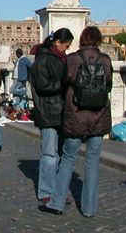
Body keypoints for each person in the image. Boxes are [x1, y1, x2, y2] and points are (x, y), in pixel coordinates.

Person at [41, 27, 112, 217]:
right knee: (93, 163)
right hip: (98, 118)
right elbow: (109, 85)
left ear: (81, 40)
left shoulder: (72, 59)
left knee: (68, 160)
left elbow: (63, 84)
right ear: (98, 41)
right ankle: (89, 209)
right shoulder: (105, 60)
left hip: (76, 117)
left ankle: (56, 204)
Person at [29, 28, 74, 204]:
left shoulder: (62, 59)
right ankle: (46, 191)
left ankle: (59, 189)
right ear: (57, 43)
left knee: (62, 154)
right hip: (48, 111)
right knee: (49, 154)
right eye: (66, 45)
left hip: (62, 111)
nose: (67, 49)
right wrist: (64, 83)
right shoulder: (43, 60)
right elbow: (42, 86)